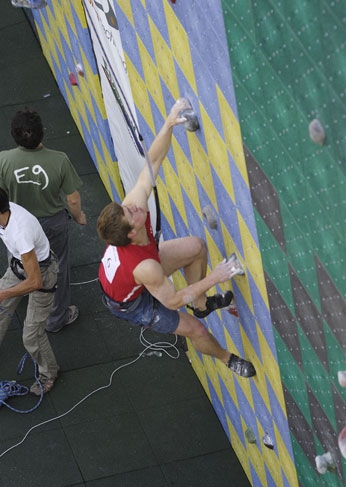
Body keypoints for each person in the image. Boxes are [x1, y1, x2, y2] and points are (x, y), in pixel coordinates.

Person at [97, 99, 256, 378]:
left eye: (127, 206)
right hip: (131, 303)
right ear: (131, 233)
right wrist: (217, 276)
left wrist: (169, 123)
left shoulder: (131, 217)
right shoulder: (146, 266)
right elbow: (172, 301)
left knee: (196, 247)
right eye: (130, 212)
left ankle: (203, 305)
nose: (135, 205)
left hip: (134, 275)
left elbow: (152, 162)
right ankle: (228, 359)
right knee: (196, 330)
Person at [0, 108, 87, 333]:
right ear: (42, 133)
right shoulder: (60, 160)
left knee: (20, 262)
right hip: (52, 223)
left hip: (16, 223)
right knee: (57, 268)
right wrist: (78, 217)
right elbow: (73, 199)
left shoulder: (3, 159)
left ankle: (21, 292)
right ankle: (56, 318)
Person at [0, 188, 59, 395]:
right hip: (17, 265)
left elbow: (35, 281)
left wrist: (3, 294)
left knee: (31, 336)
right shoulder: (4, 213)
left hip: (41, 273)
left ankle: (48, 374)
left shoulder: (20, 232)